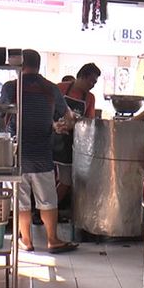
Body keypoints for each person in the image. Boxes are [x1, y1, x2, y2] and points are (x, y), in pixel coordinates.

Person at [0, 49, 78, 253]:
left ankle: (27, 241)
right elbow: (65, 117)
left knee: (21, 200)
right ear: (39, 65)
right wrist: (55, 125)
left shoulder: (11, 87)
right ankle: (52, 240)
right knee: (48, 199)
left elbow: (0, 117)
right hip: (43, 154)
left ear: (21, 64)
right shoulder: (51, 88)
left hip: (17, 156)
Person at [54, 63, 101, 219]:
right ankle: (44, 212)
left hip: (70, 143)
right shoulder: (60, 88)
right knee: (48, 180)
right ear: (81, 76)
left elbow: (89, 121)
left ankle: (49, 211)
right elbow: (47, 109)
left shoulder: (89, 98)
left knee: (66, 181)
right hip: (52, 138)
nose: (92, 86)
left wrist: (77, 123)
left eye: (95, 83)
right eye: (91, 82)